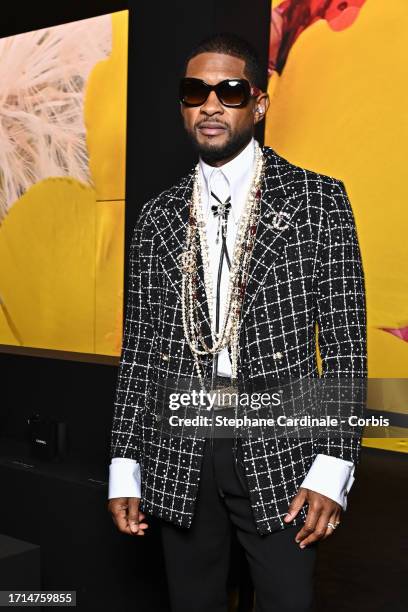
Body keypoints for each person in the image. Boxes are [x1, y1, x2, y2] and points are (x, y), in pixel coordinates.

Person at [107, 32, 367, 612]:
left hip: (283, 451)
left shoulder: (318, 201)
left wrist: (333, 466)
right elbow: (143, 347)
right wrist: (125, 465)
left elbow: (346, 346)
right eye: (195, 91)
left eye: (230, 90)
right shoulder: (158, 216)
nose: (211, 105)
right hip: (181, 447)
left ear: (259, 103)